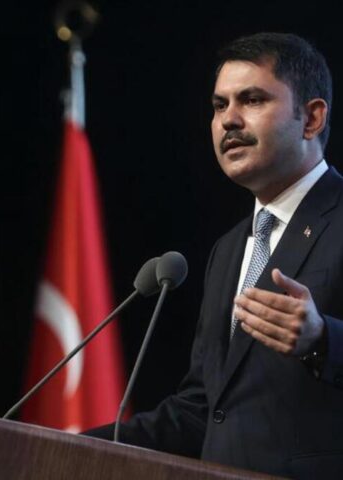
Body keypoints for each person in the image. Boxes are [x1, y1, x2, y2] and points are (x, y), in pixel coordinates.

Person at [86, 32, 343, 479]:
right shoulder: (229, 249)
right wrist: (70, 443)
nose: (228, 120)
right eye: (219, 105)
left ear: (311, 118)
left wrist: (323, 341)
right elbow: (203, 410)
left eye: (252, 100)